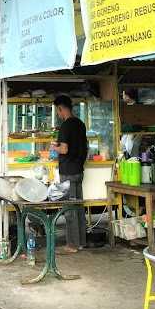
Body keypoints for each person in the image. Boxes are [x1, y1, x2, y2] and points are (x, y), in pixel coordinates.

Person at [51, 94, 89, 253]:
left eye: (57, 111)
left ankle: (72, 245)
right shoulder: (80, 124)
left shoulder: (66, 126)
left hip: (68, 172)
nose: (58, 114)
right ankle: (81, 242)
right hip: (79, 170)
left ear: (61, 109)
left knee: (69, 209)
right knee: (78, 207)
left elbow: (64, 149)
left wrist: (54, 147)